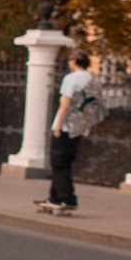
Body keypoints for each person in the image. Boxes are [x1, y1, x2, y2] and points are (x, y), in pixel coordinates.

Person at [39, 51, 95, 215]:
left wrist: (58, 126)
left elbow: (65, 104)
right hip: (79, 127)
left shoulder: (71, 79)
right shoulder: (92, 79)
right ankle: (54, 198)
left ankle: (67, 198)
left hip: (64, 127)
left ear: (75, 61)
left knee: (58, 162)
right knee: (65, 162)